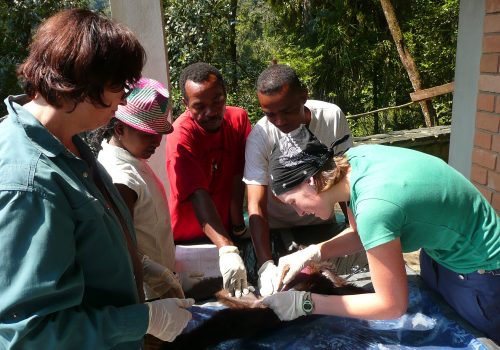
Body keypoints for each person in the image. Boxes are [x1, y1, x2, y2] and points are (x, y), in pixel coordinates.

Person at [0, 9, 193, 349]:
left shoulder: (69, 145)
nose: (123, 98)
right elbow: (31, 334)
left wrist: (139, 266)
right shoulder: (28, 181)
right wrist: (144, 320)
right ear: (83, 83)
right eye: (119, 85)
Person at [262, 125, 500, 342]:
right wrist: (314, 252)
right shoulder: (353, 162)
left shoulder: (374, 206)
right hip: (442, 251)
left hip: (481, 268)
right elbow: (364, 234)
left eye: (293, 201)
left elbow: (391, 306)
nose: (299, 213)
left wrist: (306, 304)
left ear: (312, 181)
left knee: (476, 340)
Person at [243, 63, 361, 297]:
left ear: (303, 96)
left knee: (336, 283)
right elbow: (255, 204)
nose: (279, 121)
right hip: (277, 228)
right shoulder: (260, 137)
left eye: (286, 111)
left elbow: (346, 178)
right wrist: (265, 264)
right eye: (270, 114)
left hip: (321, 221)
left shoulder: (331, 117)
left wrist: (355, 230)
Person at [166, 62, 252, 297]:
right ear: (185, 105)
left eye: (217, 101)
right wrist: (226, 249)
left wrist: (236, 224)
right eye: (199, 106)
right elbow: (197, 194)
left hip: (225, 232)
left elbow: (240, 174)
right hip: (188, 240)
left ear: (225, 94)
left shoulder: (239, 120)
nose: (211, 112)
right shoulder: (180, 136)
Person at [97, 77, 184, 301]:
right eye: (147, 134)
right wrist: (155, 273)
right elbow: (120, 245)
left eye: (158, 134)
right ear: (120, 129)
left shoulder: (134, 161)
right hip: (147, 296)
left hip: (162, 288)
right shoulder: (120, 177)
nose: (156, 141)